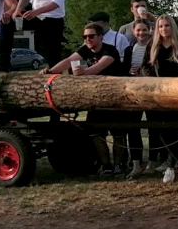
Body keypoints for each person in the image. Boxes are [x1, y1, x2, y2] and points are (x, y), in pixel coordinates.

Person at [42, 23, 127, 174]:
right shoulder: (85, 50)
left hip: (115, 97)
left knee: (118, 134)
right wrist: (50, 71)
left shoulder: (110, 50)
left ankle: (119, 165)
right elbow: (69, 61)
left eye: (91, 36)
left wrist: (83, 72)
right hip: (95, 99)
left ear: (100, 37)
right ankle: (106, 166)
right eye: (85, 37)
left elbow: (98, 67)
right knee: (96, 134)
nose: (88, 39)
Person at [143, 14, 178, 184]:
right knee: (160, 131)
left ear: (172, 27)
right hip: (157, 94)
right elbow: (145, 67)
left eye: (167, 25)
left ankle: (173, 165)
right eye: (160, 26)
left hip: (175, 94)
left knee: (172, 131)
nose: (163, 29)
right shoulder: (152, 46)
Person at [121, 19, 154, 179]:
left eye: (144, 30)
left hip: (151, 92)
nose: (141, 33)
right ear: (134, 32)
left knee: (153, 127)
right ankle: (136, 163)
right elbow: (124, 72)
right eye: (138, 30)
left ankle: (153, 162)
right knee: (133, 128)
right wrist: (130, 71)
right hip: (134, 93)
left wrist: (145, 71)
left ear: (150, 30)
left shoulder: (155, 48)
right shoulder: (129, 50)